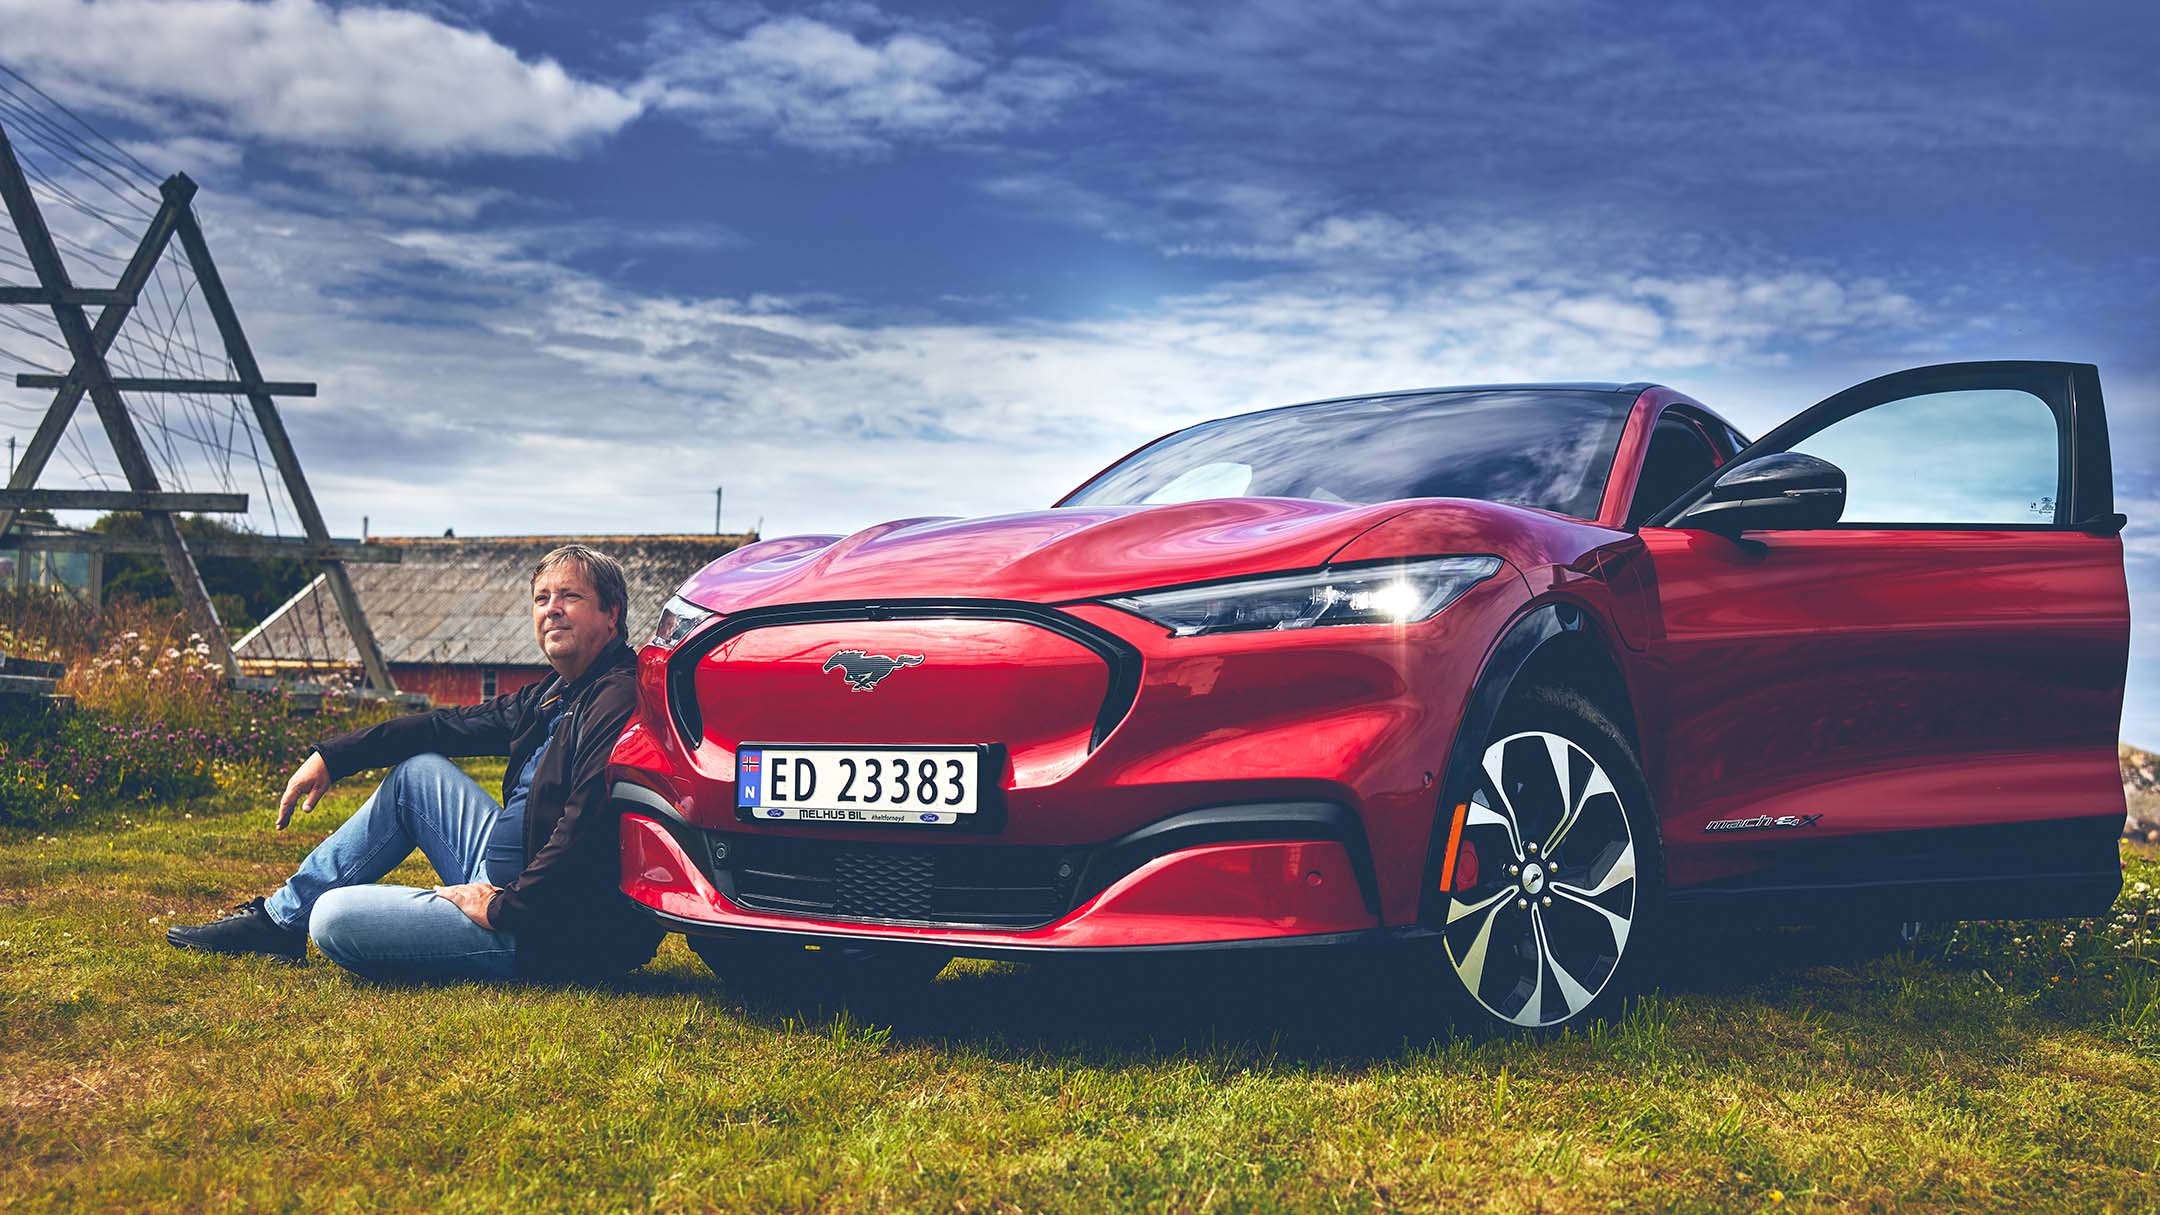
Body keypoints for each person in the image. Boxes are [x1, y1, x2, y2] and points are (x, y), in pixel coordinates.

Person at [167, 543, 662, 980]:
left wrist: (508, 906)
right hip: (504, 874)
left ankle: (315, 917)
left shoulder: (618, 697)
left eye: (569, 596)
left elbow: (586, 824)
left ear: (612, 614)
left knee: (334, 919)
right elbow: (442, 727)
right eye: (541, 599)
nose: (551, 610)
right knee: (416, 773)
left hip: (548, 925)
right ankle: (278, 921)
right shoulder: (555, 694)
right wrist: (334, 755)